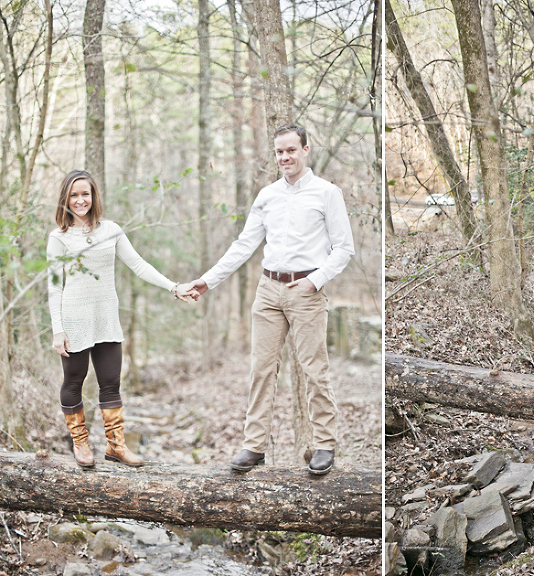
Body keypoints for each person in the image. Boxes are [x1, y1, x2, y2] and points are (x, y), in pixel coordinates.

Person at [180, 123, 355, 475]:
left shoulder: (326, 193)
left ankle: (324, 445)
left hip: (306, 292)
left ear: (306, 150)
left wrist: (315, 281)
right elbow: (243, 245)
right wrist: (208, 281)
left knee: (314, 371)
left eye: (291, 150)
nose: (285, 157)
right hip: (268, 292)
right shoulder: (267, 195)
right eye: (279, 152)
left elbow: (344, 248)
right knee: (261, 370)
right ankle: (254, 446)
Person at [47, 169, 197, 468]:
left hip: (106, 317)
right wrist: (57, 329)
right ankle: (81, 444)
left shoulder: (111, 230)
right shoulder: (59, 237)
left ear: (94, 196)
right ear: (65, 199)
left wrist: (174, 287)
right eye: (74, 195)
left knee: (111, 384)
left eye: (85, 194)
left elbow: (138, 265)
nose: (80, 200)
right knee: (74, 380)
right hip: (74, 319)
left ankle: (116, 445)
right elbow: (54, 284)